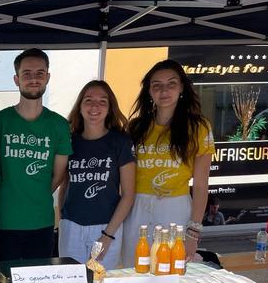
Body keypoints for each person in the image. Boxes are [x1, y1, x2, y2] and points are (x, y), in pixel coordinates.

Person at [121, 59, 216, 269]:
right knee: (133, 269)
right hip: (136, 207)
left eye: (171, 83)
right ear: (149, 91)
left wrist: (193, 234)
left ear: (182, 87)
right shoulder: (136, 127)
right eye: (156, 85)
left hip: (176, 209)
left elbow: (200, 186)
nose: (164, 90)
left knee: (169, 272)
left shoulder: (199, 127)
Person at [0, 49, 72, 262]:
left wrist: (35, 194)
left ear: (48, 77)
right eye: (27, 74)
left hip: (41, 223)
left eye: (39, 73)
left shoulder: (60, 125)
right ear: (16, 79)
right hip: (2, 224)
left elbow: (58, 176)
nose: (33, 79)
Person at [58, 80, 135, 269]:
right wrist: (62, 219)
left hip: (105, 227)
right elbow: (65, 184)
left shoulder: (120, 142)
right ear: (80, 106)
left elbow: (128, 194)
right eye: (89, 100)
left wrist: (108, 235)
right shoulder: (70, 141)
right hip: (72, 226)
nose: (95, 106)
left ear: (110, 108)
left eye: (102, 101)